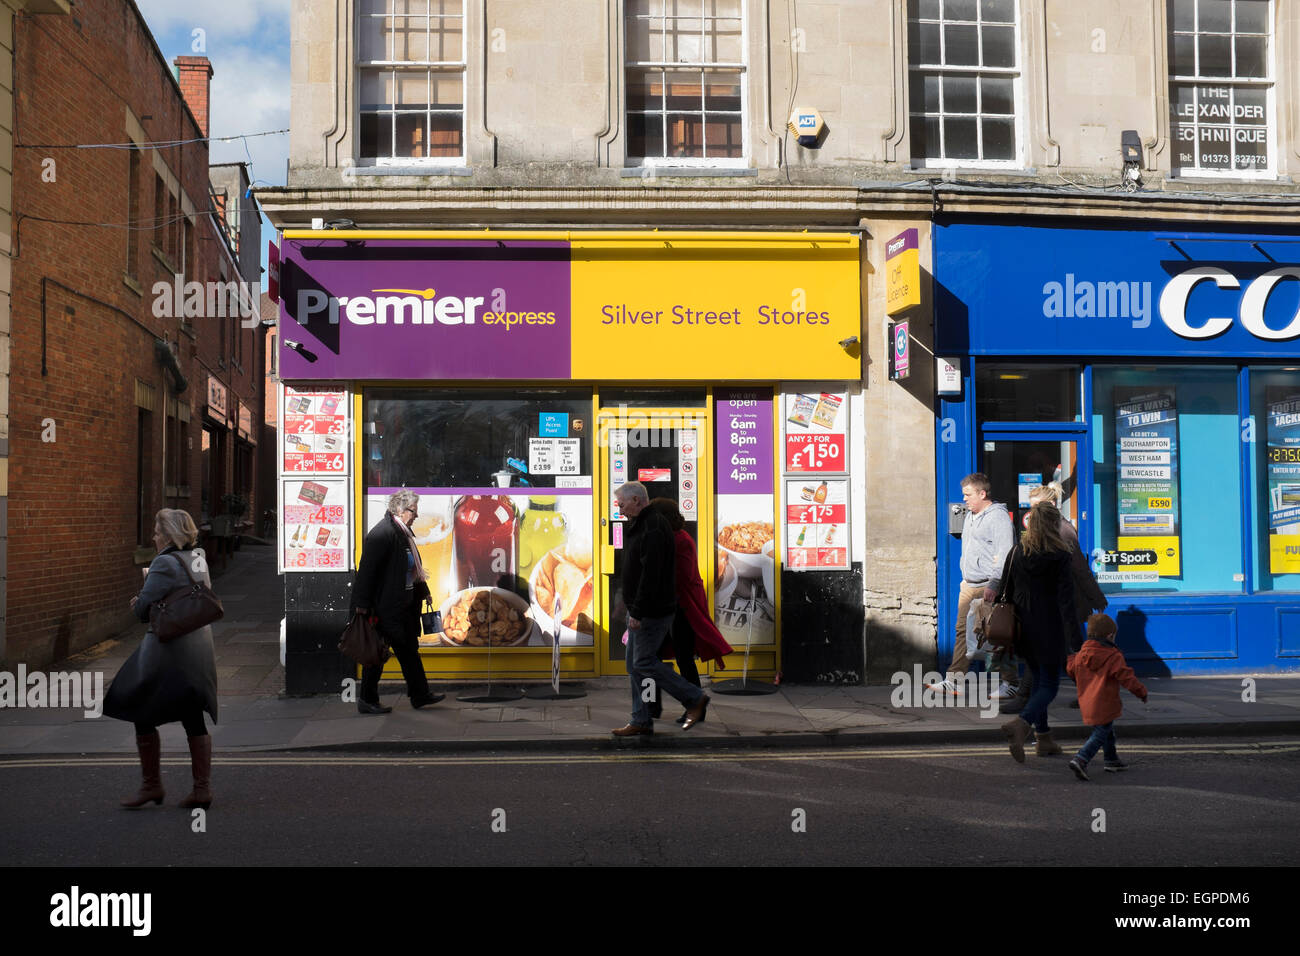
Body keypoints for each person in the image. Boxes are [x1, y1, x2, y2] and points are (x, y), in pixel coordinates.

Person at [104, 509, 219, 809]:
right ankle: (201, 790)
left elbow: (143, 612)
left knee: (139, 707)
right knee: (192, 713)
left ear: (168, 536)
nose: (153, 538)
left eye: (156, 533)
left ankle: (151, 785)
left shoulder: (163, 563)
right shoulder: (199, 557)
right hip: (198, 646)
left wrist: (138, 602)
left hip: (169, 649)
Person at [611, 482, 709, 736]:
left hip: (651, 611)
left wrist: (638, 611)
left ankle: (693, 697)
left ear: (636, 500)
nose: (620, 510)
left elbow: (651, 575)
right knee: (635, 666)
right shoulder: (643, 524)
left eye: (621, 504)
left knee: (643, 661)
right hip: (642, 608)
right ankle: (641, 719)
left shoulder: (653, 527)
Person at [352, 490, 444, 714]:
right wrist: (363, 606)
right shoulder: (382, 534)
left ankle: (419, 695)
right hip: (385, 608)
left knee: (408, 651)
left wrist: (423, 590)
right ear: (401, 511)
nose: (416, 515)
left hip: (402, 606)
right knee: (379, 653)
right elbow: (367, 572)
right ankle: (368, 699)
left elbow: (411, 569)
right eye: (414, 511)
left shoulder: (402, 533)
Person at [999, 500, 1077, 762]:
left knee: (1036, 681)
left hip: (1023, 627)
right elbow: (1067, 602)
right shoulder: (1060, 556)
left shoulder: (1018, 552)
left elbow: (1004, 591)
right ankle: (1022, 724)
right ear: (1054, 524)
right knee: (1050, 686)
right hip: (1050, 626)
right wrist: (1076, 641)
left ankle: (1043, 740)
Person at [646, 498, 733, 722]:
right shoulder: (672, 538)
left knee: (682, 658)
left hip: (680, 609)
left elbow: (681, 577)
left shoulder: (680, 540)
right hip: (670, 607)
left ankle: (695, 704)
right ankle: (654, 708)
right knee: (654, 658)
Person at [932, 473, 1015, 696]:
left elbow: (1006, 553)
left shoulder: (998, 518)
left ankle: (1011, 683)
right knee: (962, 632)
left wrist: (995, 584)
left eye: (968, 495)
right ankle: (954, 680)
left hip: (988, 585)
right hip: (969, 584)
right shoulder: (971, 515)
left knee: (995, 634)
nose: (965, 499)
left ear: (982, 493)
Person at [1066, 612, 1148, 780]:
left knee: (1106, 731)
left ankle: (1111, 760)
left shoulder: (1081, 655)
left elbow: (1070, 669)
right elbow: (1126, 677)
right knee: (1100, 734)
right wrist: (1141, 692)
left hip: (1086, 701)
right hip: (1105, 702)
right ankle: (1081, 759)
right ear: (1110, 636)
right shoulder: (1113, 656)